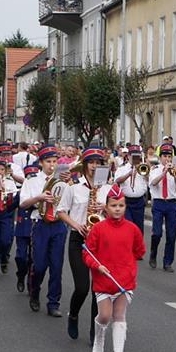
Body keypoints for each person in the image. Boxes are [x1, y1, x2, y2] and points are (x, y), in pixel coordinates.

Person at [83, 185, 145, 352]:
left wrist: (127, 266)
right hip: (104, 279)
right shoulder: (98, 229)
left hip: (124, 281)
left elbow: (139, 251)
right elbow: (87, 254)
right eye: (113, 205)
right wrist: (98, 266)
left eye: (121, 205)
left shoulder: (133, 229)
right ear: (106, 207)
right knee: (104, 316)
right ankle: (99, 337)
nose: (117, 209)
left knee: (119, 316)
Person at [57, 146, 109, 340]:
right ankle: (73, 314)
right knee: (82, 287)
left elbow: (120, 212)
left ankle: (95, 330)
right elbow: (61, 211)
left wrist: (106, 208)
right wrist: (76, 225)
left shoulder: (107, 188)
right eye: (91, 162)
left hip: (100, 241)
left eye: (98, 163)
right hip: (78, 239)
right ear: (85, 165)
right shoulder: (74, 187)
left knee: (98, 289)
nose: (94, 166)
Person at [19, 145, 68, 317]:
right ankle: (34, 291)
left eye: (54, 161)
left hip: (58, 224)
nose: (52, 165)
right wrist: (39, 198)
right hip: (40, 224)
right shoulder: (32, 180)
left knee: (56, 266)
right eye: (48, 161)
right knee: (39, 266)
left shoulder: (62, 180)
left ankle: (53, 303)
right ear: (41, 163)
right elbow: (22, 204)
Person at [148, 143, 176, 271]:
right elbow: (153, 182)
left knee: (171, 235)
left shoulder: (175, 170)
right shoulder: (155, 169)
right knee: (157, 233)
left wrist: (174, 174)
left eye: (169, 156)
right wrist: (164, 173)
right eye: (165, 156)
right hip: (158, 203)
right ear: (160, 157)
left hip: (171, 204)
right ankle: (153, 254)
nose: (167, 159)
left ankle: (167, 262)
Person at [13, 164, 38, 294]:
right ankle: (21, 275)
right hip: (22, 228)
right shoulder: (21, 193)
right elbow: (9, 207)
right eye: (29, 177)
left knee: (33, 259)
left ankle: (31, 284)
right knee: (21, 257)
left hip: (35, 228)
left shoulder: (40, 192)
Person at [114, 144, 148, 233]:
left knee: (139, 228)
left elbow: (149, 180)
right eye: (133, 155)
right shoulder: (122, 168)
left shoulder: (143, 167)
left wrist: (143, 171)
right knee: (128, 227)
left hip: (139, 201)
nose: (135, 157)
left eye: (137, 155)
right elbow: (117, 181)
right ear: (128, 156)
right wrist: (128, 174)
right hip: (126, 201)